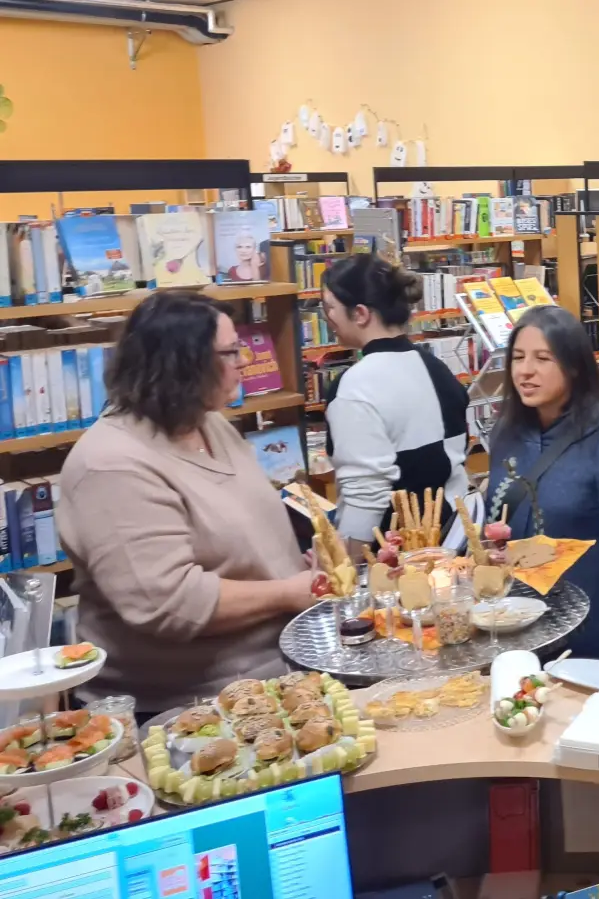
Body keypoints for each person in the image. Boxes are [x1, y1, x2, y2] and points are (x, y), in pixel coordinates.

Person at [57, 291, 316, 713]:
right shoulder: (112, 465)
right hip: (186, 707)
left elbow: (246, 530)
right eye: (231, 352)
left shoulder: (210, 423)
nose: (245, 362)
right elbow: (169, 603)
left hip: (276, 672)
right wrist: (288, 593)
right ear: (182, 363)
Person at [488, 306, 599, 661]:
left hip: (586, 636)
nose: (525, 371)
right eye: (517, 357)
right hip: (513, 630)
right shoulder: (507, 434)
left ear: (575, 366)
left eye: (543, 358)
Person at [320, 254, 469, 547]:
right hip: (455, 536)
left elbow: (366, 495)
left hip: (398, 552)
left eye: (329, 308)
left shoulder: (355, 386)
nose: (328, 319)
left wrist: (345, 567)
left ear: (360, 313)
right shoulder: (436, 367)